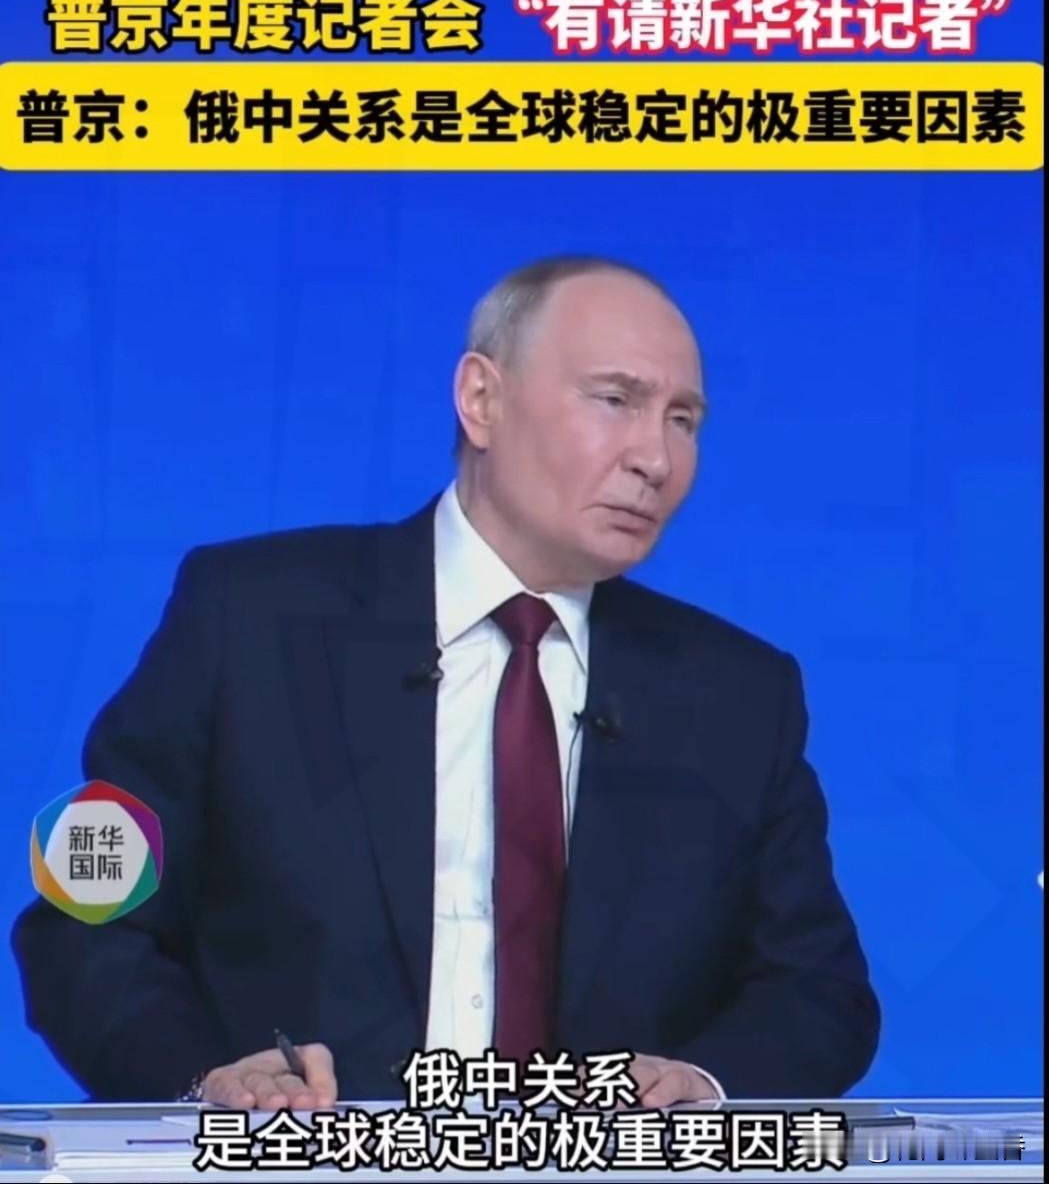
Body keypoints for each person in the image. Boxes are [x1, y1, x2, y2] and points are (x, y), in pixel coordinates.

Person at [12, 255, 879, 1110]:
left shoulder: (736, 695)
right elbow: (84, 917)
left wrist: (705, 1086)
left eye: (683, 420)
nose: (655, 457)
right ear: (480, 399)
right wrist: (207, 1084)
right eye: (615, 400)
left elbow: (818, 991)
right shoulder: (245, 618)